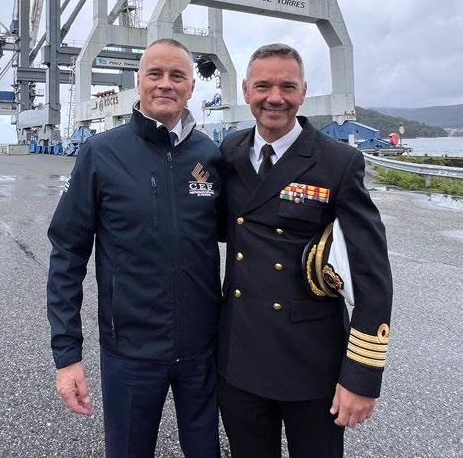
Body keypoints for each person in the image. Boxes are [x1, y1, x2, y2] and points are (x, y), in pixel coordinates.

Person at [47, 38, 223, 458]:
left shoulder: (211, 155)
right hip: (130, 352)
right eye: (155, 74)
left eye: (177, 75)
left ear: (191, 86)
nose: (165, 84)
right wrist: (67, 355)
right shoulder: (101, 153)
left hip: (202, 351)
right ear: (139, 81)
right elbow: (67, 254)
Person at [217, 43, 393, 457]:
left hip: (311, 364)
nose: (274, 97)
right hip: (240, 357)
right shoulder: (229, 152)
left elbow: (372, 276)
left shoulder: (338, 162)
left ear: (303, 91)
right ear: (246, 90)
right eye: (263, 86)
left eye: (287, 86)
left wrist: (361, 377)